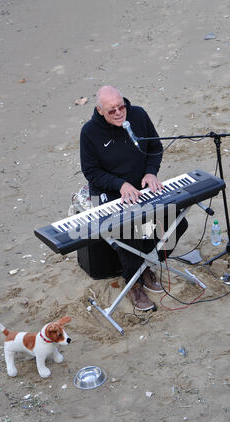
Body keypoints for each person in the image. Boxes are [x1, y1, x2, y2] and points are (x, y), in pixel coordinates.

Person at [80, 86, 187, 311]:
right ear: (100, 111)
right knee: (129, 234)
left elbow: (155, 147)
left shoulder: (138, 115)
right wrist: (120, 185)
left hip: (143, 187)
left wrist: (151, 172)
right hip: (111, 193)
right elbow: (91, 172)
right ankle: (134, 283)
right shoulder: (89, 132)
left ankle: (145, 263)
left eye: (122, 107)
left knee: (177, 222)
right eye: (112, 110)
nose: (120, 113)